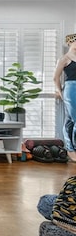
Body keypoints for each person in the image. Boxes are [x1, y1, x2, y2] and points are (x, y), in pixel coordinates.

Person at [53, 33, 76, 161]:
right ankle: (71, 148)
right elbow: (55, 78)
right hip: (71, 89)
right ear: (70, 42)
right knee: (74, 119)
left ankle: (70, 147)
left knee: (69, 119)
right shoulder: (64, 58)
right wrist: (60, 92)